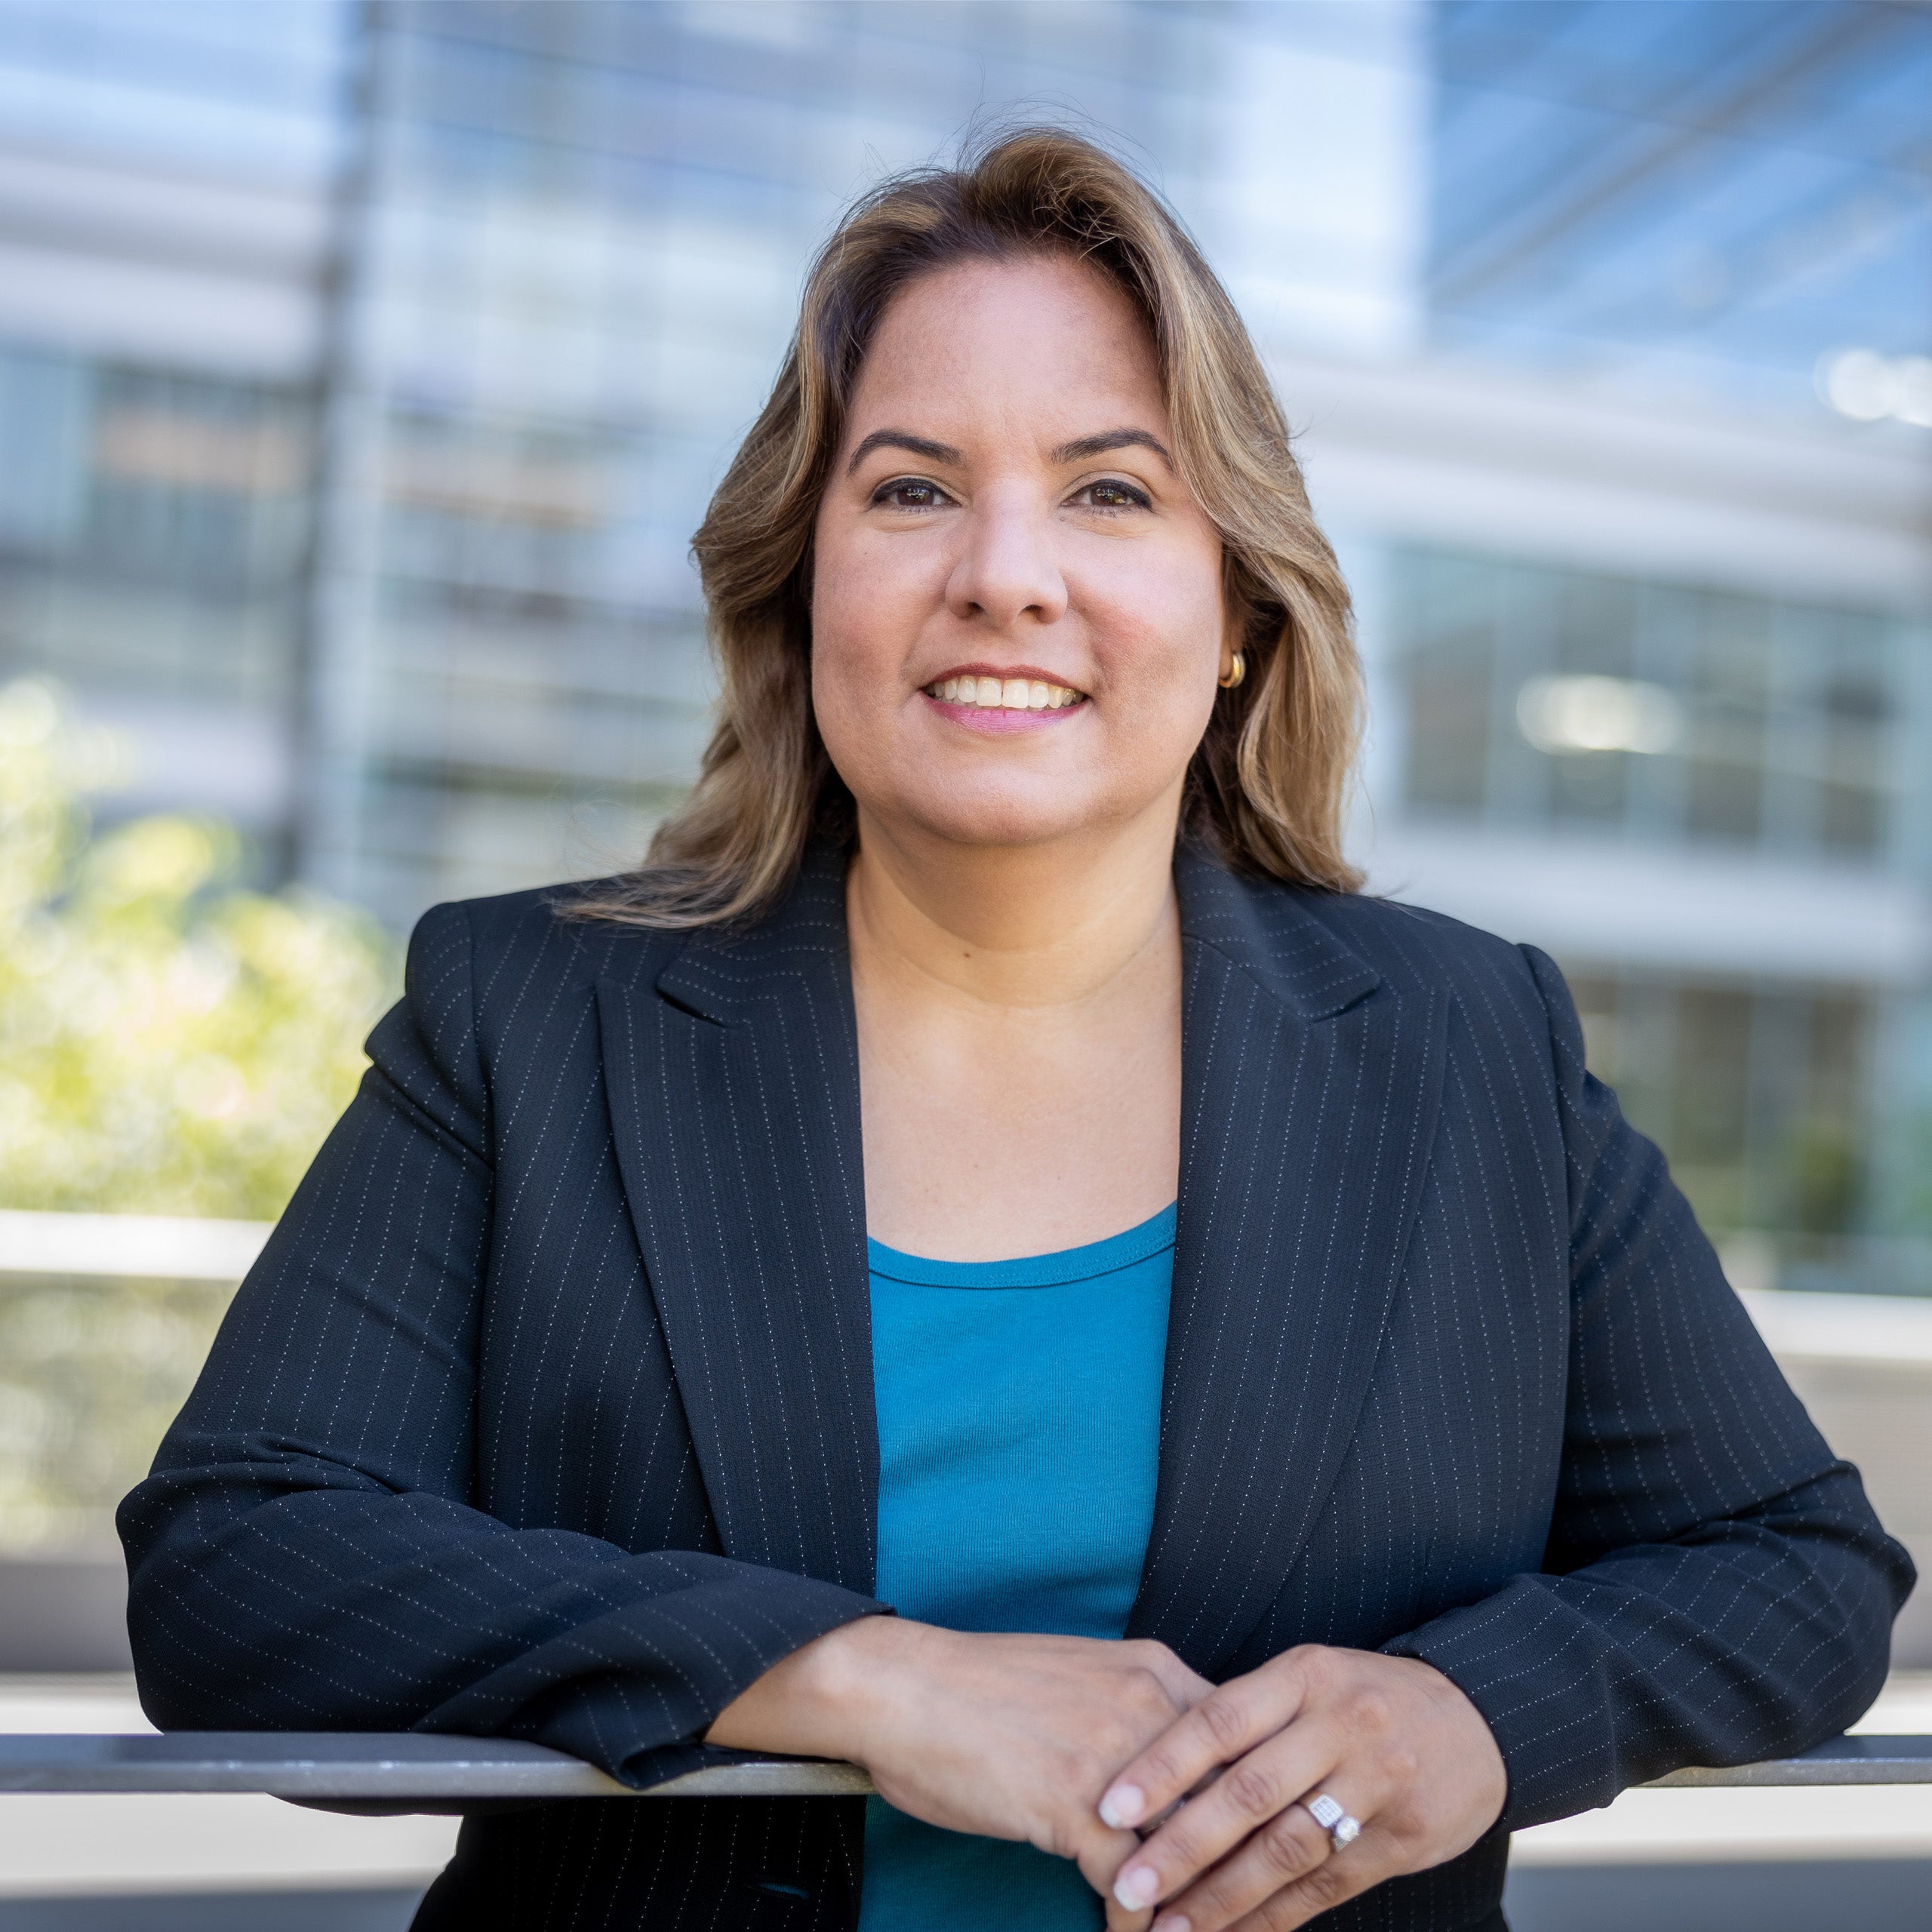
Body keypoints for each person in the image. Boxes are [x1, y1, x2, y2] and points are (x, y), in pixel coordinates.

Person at [120, 128, 1912, 1932]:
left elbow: (1789, 1564)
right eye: (908, 491)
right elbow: (238, 1566)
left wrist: (1473, 1712)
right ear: (799, 582)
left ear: (1233, 611)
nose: (1002, 573)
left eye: (1110, 492)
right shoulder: (529, 1018)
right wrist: (856, 1677)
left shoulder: (1462, 1046)